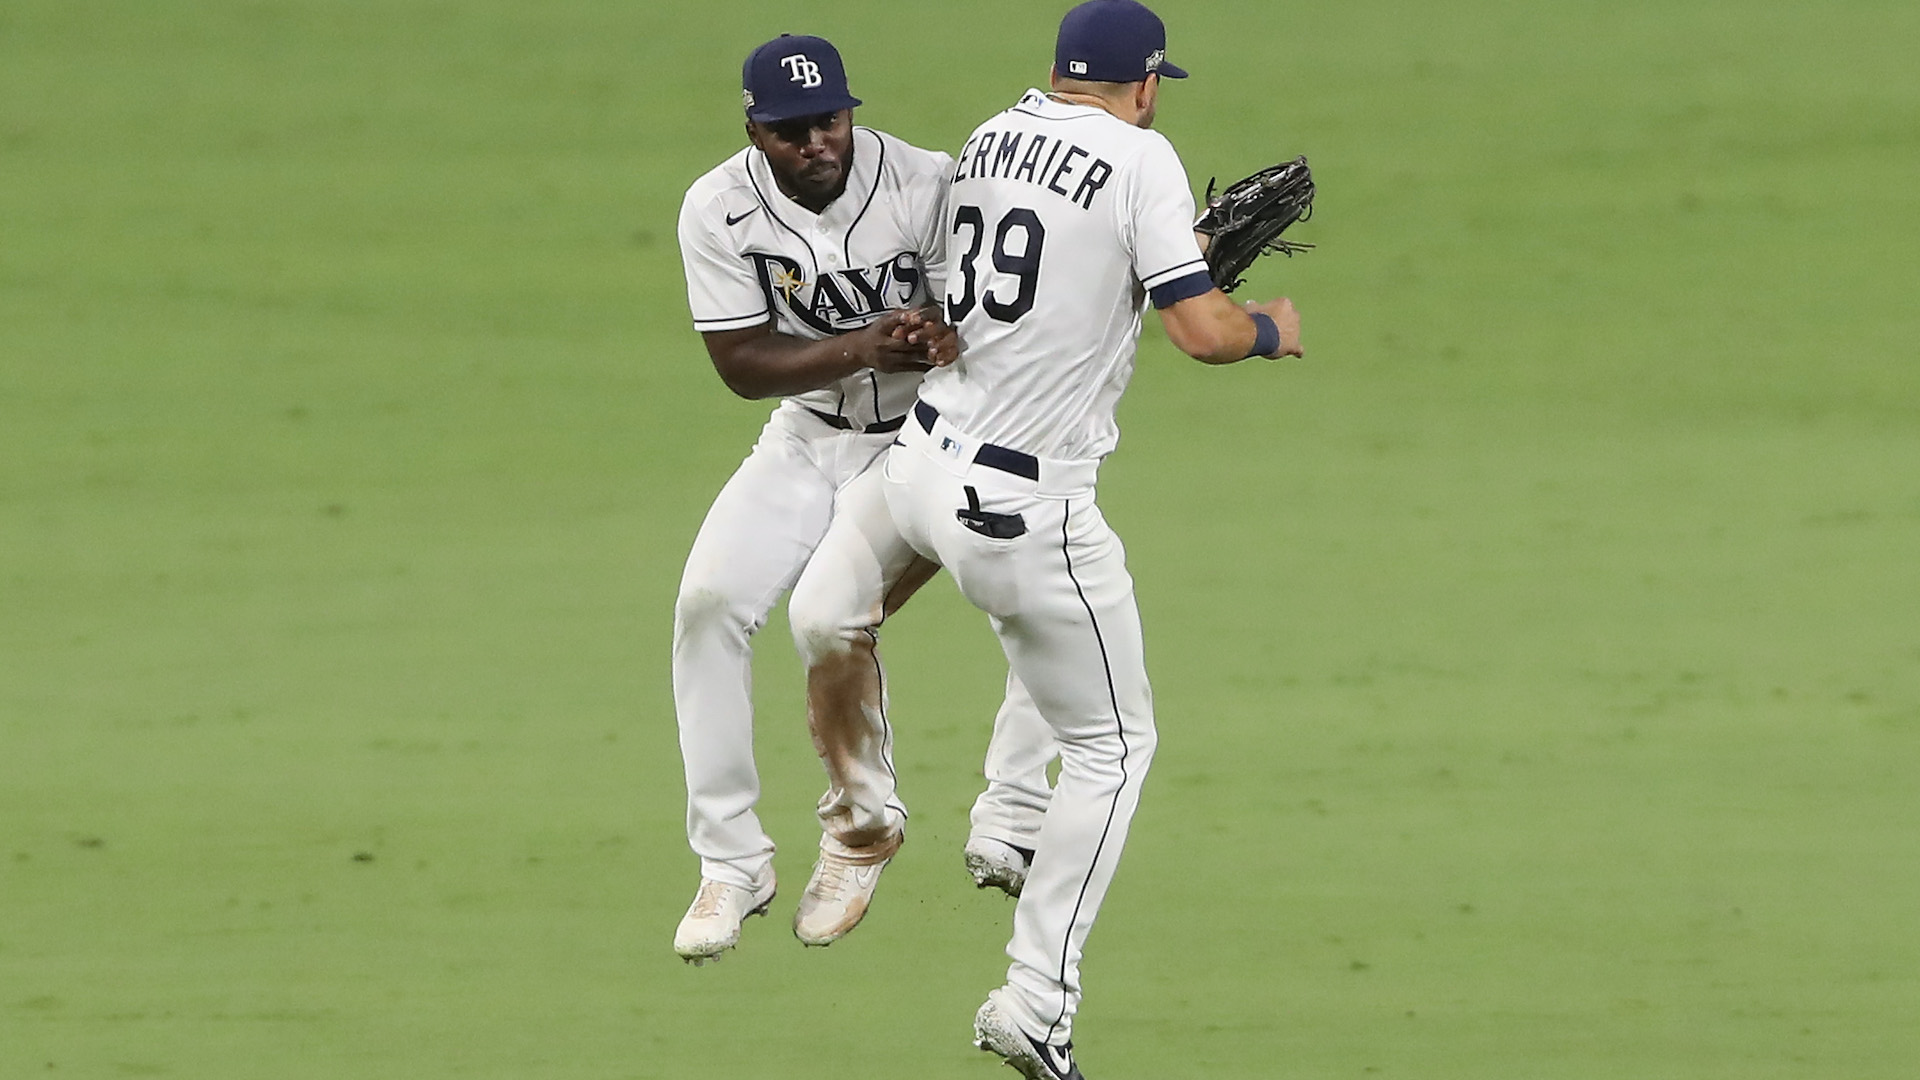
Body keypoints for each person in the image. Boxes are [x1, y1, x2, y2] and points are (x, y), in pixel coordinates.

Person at [787, 1, 1303, 1075]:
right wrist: (1265, 330)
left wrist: (1185, 253)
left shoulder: (989, 134)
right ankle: (1037, 999)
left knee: (1063, 612)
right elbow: (1197, 332)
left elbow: (1052, 283)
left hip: (920, 469)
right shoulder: (1142, 159)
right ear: (1147, 84)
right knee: (1116, 745)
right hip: (1020, 507)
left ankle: (1007, 818)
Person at [670, 33, 1056, 965]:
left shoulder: (928, 184)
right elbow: (741, 365)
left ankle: (861, 828)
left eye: (831, 120)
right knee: (706, 606)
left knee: (833, 619)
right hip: (806, 432)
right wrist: (863, 346)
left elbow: (995, 315)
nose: (818, 142)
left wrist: (937, 335)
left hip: (922, 443)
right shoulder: (717, 209)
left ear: (852, 113)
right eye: (793, 129)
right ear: (756, 130)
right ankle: (732, 862)